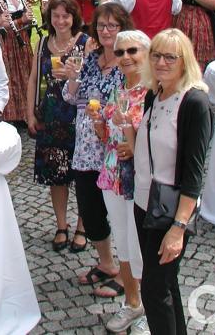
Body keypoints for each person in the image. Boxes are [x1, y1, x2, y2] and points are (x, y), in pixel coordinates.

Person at [133, 28, 213, 335]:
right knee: (165, 285)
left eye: (170, 57)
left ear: (185, 61)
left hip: (169, 210)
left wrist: (178, 228)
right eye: (156, 55)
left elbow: (194, 173)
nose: (161, 63)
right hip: (144, 202)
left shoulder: (194, 103)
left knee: (153, 290)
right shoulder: (154, 94)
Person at [63, 4, 135, 294]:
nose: (106, 31)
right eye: (102, 25)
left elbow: (134, 102)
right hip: (85, 150)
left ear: (123, 28)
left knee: (121, 216)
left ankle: (129, 277)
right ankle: (107, 264)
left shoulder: (128, 63)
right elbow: (71, 98)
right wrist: (72, 76)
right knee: (90, 213)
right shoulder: (90, 59)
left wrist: (105, 115)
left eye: (113, 26)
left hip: (114, 151)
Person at [88, 30, 150, 333]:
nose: (125, 57)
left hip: (139, 178)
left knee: (141, 246)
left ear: (146, 53)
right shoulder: (118, 89)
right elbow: (106, 136)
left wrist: (135, 146)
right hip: (112, 175)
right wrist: (98, 124)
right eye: (121, 51)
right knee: (124, 243)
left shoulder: (152, 93)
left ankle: (151, 309)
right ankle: (132, 301)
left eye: (132, 51)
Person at [26, 0, 90, 254]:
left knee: (83, 175)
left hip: (79, 116)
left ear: (74, 17)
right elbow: (33, 79)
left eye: (66, 16)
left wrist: (74, 75)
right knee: (56, 174)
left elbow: (94, 79)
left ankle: (83, 227)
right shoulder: (43, 43)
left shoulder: (85, 42)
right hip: (51, 116)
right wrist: (30, 113)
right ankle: (61, 225)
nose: (61, 21)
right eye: (56, 16)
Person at [0, 0, 35, 122]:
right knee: (13, 74)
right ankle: (14, 114)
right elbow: (3, 23)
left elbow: (25, 16)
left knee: (26, 71)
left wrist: (28, 18)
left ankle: (27, 112)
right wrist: (21, 20)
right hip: (10, 39)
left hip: (23, 36)